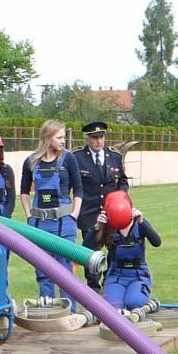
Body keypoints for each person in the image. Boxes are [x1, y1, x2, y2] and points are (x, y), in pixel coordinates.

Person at [20, 120, 83, 311]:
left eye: (63, 137)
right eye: (59, 137)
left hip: (64, 223)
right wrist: (29, 215)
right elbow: (23, 191)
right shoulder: (31, 161)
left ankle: (69, 313)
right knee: (43, 270)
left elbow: (79, 189)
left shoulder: (68, 159)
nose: (63, 141)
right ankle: (47, 312)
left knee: (66, 271)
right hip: (40, 224)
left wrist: (74, 214)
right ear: (48, 138)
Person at [73, 121, 128, 293]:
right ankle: (93, 288)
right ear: (87, 139)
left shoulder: (115, 156)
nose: (99, 141)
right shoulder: (77, 158)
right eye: (95, 138)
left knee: (115, 250)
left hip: (113, 213)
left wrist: (122, 198)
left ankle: (109, 283)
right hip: (89, 213)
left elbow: (123, 181)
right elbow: (74, 186)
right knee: (91, 253)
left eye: (101, 137)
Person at [84, 191, 161, 310]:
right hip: (116, 275)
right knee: (113, 308)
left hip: (138, 274)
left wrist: (142, 221)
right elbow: (86, 247)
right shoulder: (107, 227)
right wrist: (97, 227)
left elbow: (157, 242)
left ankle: (141, 299)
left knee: (134, 303)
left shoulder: (138, 225)